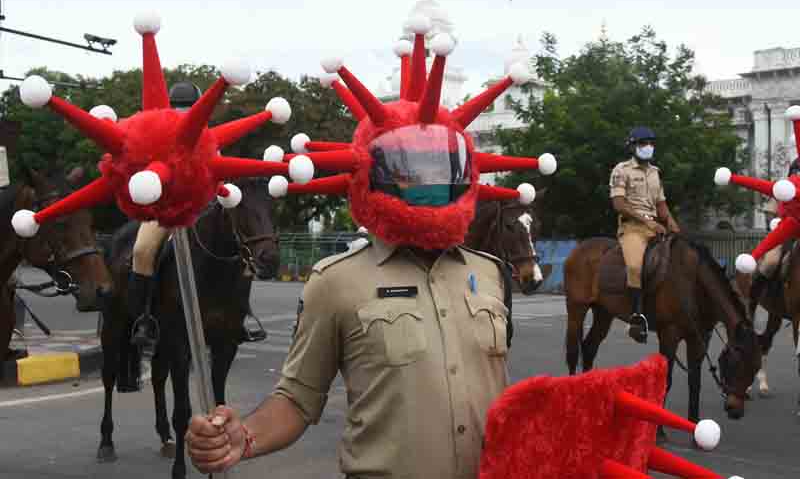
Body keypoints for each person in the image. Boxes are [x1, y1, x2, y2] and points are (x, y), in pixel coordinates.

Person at [183, 42, 544, 475]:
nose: (427, 184)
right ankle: (144, 314)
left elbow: (497, 390)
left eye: (440, 168)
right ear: (371, 173)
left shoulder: (489, 273)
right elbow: (298, 399)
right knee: (144, 252)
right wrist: (244, 437)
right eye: (409, 171)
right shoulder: (336, 281)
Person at [128, 81, 266, 353]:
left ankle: (241, 314)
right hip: (166, 209)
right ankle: (143, 318)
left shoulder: (210, 139)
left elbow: (218, 174)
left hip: (204, 207)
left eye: (189, 109)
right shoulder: (157, 138)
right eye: (180, 110)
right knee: (142, 250)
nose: (184, 115)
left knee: (242, 247)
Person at [609, 127, 680, 344]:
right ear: (633, 147)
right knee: (634, 267)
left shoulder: (655, 172)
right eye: (642, 143)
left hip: (655, 226)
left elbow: (661, 204)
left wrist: (671, 222)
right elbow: (619, 204)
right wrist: (647, 221)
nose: (648, 147)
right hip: (633, 228)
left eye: (650, 143)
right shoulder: (622, 170)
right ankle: (636, 318)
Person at [748, 157, 800, 309]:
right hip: (785, 237)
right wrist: (776, 224)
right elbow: (770, 211)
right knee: (771, 262)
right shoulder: (782, 188)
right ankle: (754, 296)